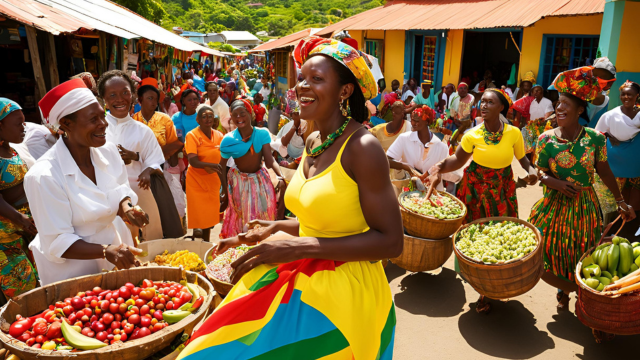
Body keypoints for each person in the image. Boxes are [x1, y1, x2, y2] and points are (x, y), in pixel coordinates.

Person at [177, 36, 401, 360]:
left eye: (317, 79)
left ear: (345, 91)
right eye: (301, 79)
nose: (302, 87)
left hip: (343, 293)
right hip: (302, 271)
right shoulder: (313, 141)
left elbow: (391, 242)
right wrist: (269, 228)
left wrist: (297, 246)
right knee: (208, 346)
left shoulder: (362, 148)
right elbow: (319, 220)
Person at [529, 70, 635, 311]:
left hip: (584, 206)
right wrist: (554, 182)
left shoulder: (595, 139)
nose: (559, 108)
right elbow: (540, 172)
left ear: (580, 110)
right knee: (552, 248)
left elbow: (604, 170)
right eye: (557, 104)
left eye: (566, 104)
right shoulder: (545, 139)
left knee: (580, 249)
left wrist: (620, 200)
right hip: (554, 206)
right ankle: (563, 288)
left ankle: (579, 294)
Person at [25, 79, 147, 286]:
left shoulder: (106, 150)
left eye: (102, 115)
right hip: (72, 268)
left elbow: (119, 189)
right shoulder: (44, 175)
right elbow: (56, 241)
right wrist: (104, 250)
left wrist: (126, 207)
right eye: (93, 119)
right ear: (66, 124)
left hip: (114, 250)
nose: (104, 123)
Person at [427, 89, 538, 313]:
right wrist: (438, 167)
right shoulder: (472, 134)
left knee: (501, 235)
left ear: (501, 108)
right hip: (475, 190)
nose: (484, 106)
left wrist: (531, 170)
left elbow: (522, 159)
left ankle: (495, 285)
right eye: (482, 102)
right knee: (476, 238)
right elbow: (458, 160)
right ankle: (482, 287)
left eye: (490, 102)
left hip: (502, 189)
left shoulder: (514, 133)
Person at [100, 71, 166, 241]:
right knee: (116, 240)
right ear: (104, 100)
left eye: (125, 93)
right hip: (106, 193)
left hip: (139, 190)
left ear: (133, 96)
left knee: (149, 238)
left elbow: (155, 159)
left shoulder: (142, 130)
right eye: (112, 95)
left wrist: (146, 170)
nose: (119, 99)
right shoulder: (98, 129)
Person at [219, 99, 286, 239]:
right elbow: (221, 167)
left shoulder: (262, 134)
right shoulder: (228, 140)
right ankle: (243, 249)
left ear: (250, 114)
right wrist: (224, 192)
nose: (239, 118)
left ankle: (262, 248)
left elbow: (269, 160)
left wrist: (280, 176)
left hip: (260, 180)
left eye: (242, 113)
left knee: (264, 215)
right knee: (242, 218)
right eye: (235, 115)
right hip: (239, 182)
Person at [132, 80, 186, 225]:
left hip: (159, 168)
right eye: (150, 98)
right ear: (140, 100)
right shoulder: (133, 120)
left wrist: (158, 154)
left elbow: (175, 143)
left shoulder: (165, 120)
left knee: (159, 204)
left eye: (156, 100)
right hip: (136, 168)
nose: (154, 102)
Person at [0, 99, 38, 301]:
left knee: (35, 280)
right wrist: (20, 219)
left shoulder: (11, 149)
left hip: (23, 228)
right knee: (21, 286)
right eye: (18, 123)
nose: (24, 128)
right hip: (5, 238)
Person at [595, 80, 640, 239]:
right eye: (623, 94)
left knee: (633, 204)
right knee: (611, 204)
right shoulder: (611, 116)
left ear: (637, 96)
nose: (626, 96)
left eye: (630, 94)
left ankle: (627, 237)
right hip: (614, 168)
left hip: (636, 170)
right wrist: (608, 135)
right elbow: (597, 135)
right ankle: (606, 236)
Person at [387, 105, 456, 191]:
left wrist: (443, 196)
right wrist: (406, 167)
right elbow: (387, 160)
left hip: (433, 195)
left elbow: (449, 181)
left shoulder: (441, 147)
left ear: (427, 122)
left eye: (417, 121)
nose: (413, 123)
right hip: (409, 194)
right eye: (412, 120)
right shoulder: (404, 139)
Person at [185, 104, 224, 242]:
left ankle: (205, 246)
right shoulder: (192, 135)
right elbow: (193, 161)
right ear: (198, 120)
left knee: (208, 220)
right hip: (196, 181)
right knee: (199, 219)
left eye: (210, 116)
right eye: (204, 116)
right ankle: (197, 247)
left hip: (213, 181)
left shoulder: (219, 135)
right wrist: (209, 165)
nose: (208, 119)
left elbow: (224, 157)